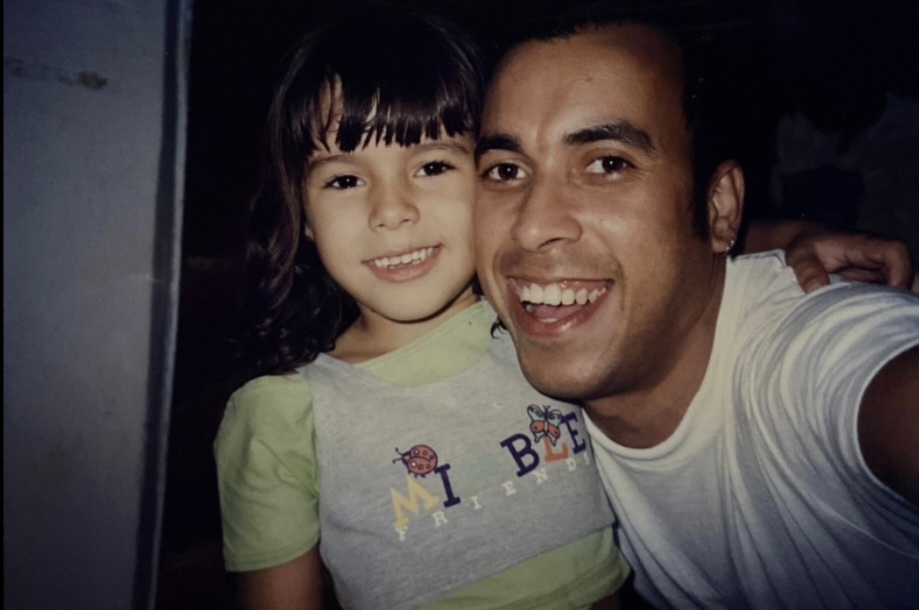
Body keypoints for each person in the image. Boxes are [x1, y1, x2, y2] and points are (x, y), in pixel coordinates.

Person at [473, 9, 919, 610]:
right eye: (505, 170)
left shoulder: (816, 354)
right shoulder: (473, 370)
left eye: (608, 164)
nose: (532, 226)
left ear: (718, 208)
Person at [214, 6, 629, 610]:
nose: (391, 211)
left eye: (432, 166)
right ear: (301, 214)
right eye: (344, 180)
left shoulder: (549, 321)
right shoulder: (283, 417)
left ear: (494, 177)